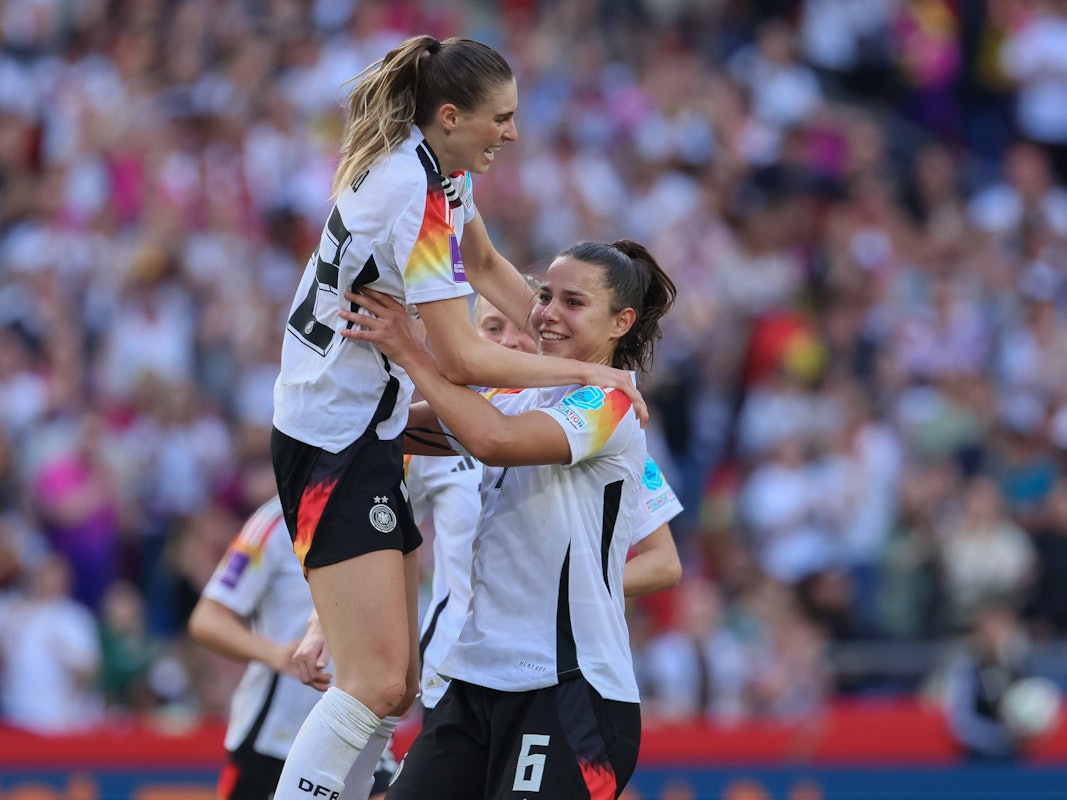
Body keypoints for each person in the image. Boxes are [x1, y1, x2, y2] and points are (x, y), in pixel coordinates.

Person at [269, 34, 647, 800]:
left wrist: (587, 359)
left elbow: (488, 272)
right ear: (450, 116)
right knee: (375, 683)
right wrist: (586, 366)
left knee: (395, 685)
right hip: (332, 438)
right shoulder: (414, 192)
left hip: (356, 431)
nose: (511, 133)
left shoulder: (435, 173)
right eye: (500, 118)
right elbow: (466, 362)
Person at [341, 239, 675, 800]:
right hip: (474, 681)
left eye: (574, 302)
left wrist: (412, 351)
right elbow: (387, 433)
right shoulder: (514, 399)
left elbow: (492, 441)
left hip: (570, 691)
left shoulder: (611, 406)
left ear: (622, 322)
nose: (547, 313)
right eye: (544, 296)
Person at [188, 497, 395, 800]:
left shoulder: (388, 507)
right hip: (275, 741)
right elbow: (207, 618)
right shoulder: (276, 520)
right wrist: (275, 655)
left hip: (361, 730)